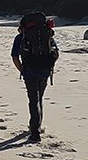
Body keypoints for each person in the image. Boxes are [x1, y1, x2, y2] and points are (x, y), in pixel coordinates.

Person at [11, 13, 58, 143]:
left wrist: (22, 69)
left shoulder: (21, 37)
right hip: (45, 71)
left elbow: (14, 57)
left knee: (33, 100)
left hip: (29, 72)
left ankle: (35, 133)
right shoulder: (47, 35)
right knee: (39, 98)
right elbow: (55, 53)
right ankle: (37, 126)